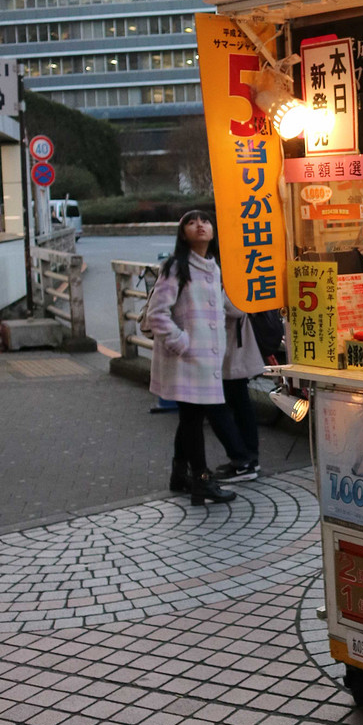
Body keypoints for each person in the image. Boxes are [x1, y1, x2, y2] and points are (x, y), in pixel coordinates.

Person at [147, 210, 252, 506]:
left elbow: (227, 308)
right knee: (193, 419)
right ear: (183, 234)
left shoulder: (215, 267)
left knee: (191, 418)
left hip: (206, 362)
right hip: (186, 360)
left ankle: (180, 476)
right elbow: (157, 314)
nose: (200, 225)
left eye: (205, 221)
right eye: (191, 222)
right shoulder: (176, 267)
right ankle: (201, 480)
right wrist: (183, 343)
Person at [214, 306, 265, 482]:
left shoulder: (228, 280)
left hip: (233, 347)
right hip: (234, 346)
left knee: (225, 405)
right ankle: (249, 457)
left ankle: (243, 461)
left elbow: (237, 308)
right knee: (240, 402)